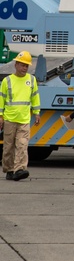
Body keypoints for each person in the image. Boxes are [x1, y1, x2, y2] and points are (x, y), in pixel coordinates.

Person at [1, 51, 41, 183]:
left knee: (22, 145)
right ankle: (9, 169)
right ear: (16, 65)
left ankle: (19, 169)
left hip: (24, 119)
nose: (25, 68)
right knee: (8, 147)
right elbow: (2, 99)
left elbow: (35, 97)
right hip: (9, 119)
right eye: (23, 65)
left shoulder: (31, 80)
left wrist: (37, 112)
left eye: (27, 66)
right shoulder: (7, 81)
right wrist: (0, 116)